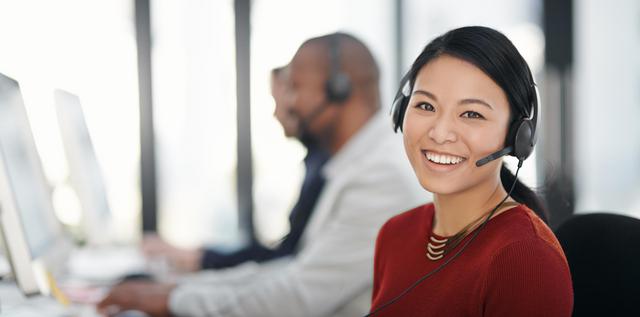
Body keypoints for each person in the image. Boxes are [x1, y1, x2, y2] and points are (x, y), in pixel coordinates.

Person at [98, 32, 427, 316]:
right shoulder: (356, 165)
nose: (290, 103)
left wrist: (173, 299)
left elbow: (297, 296)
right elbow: (293, 270)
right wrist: (179, 289)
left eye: (296, 87)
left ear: (339, 90)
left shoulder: (381, 178)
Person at [369, 26, 573, 316]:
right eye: (425, 105)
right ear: (401, 111)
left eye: (472, 114)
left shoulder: (525, 256)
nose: (440, 133)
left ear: (517, 135)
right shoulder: (395, 234)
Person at [141, 66, 330, 272]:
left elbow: (285, 258)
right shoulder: (316, 162)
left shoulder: (327, 168)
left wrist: (197, 262)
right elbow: (285, 253)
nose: (276, 113)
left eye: (281, 99)